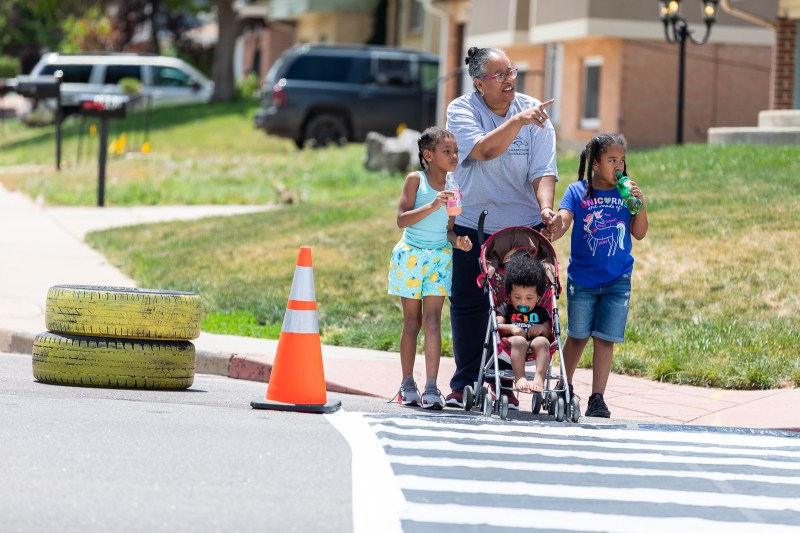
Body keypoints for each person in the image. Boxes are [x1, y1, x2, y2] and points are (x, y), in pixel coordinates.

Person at [444, 46, 558, 409]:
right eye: (500, 75)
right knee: (469, 306)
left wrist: (546, 209)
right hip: (471, 225)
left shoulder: (533, 112)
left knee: (515, 309)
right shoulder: (461, 110)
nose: (511, 80)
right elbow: (483, 150)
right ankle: (465, 383)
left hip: (521, 231)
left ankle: (507, 382)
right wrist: (519, 121)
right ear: (479, 83)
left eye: (512, 71)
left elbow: (544, 170)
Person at [550, 133, 649, 418]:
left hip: (618, 279)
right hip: (582, 280)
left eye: (622, 160)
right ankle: (563, 387)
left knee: (605, 339)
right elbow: (564, 221)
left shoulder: (625, 193)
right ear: (595, 163)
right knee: (578, 335)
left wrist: (639, 204)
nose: (618, 165)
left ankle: (597, 398)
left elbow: (639, 233)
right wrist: (553, 225)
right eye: (611, 160)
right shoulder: (577, 191)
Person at [388, 126, 473, 410]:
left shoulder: (454, 187)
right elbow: (402, 220)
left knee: (433, 321)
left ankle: (432, 385)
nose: (454, 156)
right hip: (411, 256)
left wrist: (458, 242)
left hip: (439, 258)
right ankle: (407, 382)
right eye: (447, 151)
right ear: (428, 155)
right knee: (412, 322)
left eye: (456, 151)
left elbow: (448, 230)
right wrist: (433, 205)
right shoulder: (416, 180)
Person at [495, 252, 553, 395]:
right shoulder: (506, 309)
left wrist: (541, 328)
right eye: (517, 297)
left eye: (529, 298)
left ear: (538, 297)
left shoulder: (541, 312)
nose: (522, 302)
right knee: (520, 341)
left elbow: (548, 332)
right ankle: (519, 376)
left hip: (535, 346)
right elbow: (496, 327)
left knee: (543, 342)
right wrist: (511, 328)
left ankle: (539, 378)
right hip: (512, 346)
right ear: (509, 295)